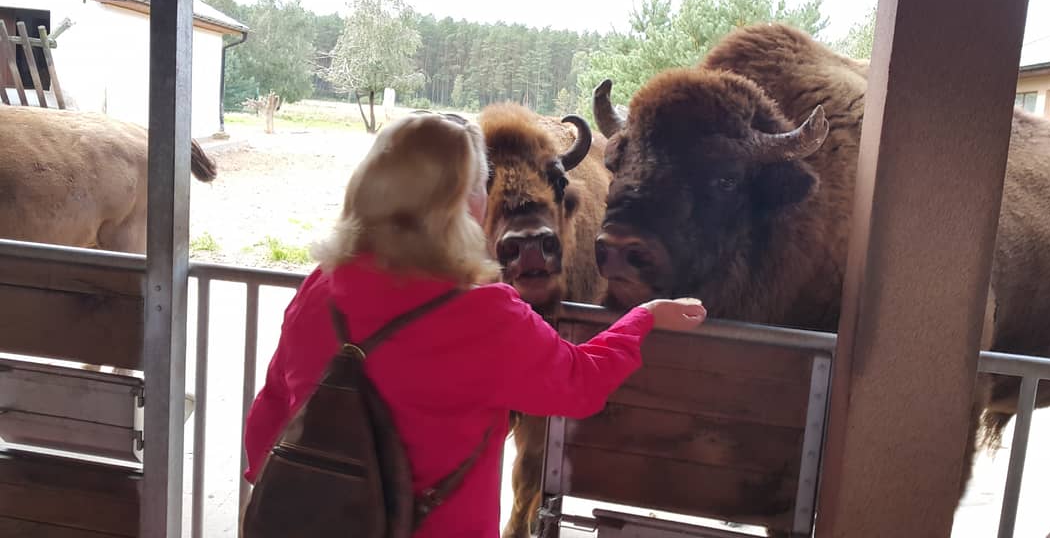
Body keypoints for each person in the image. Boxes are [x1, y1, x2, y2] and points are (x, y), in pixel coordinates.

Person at [241, 111, 707, 537]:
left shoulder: (321, 285)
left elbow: (274, 405)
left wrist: (291, 497)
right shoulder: (484, 313)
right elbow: (579, 383)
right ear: (463, 204)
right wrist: (642, 318)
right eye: (484, 184)